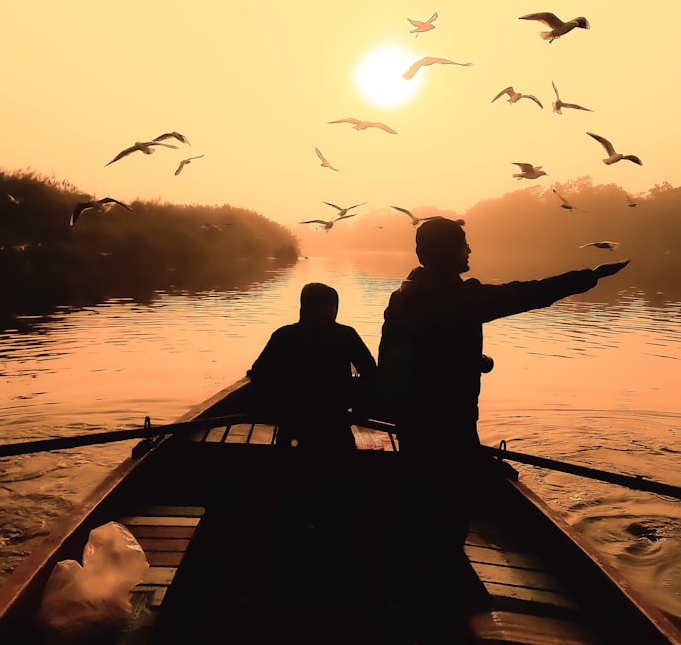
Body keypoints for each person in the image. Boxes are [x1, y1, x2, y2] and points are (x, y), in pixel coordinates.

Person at [376, 217, 629, 643]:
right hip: (449, 422)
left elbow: (397, 361)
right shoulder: (457, 299)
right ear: (445, 253)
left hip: (415, 421)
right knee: (449, 508)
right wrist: (587, 278)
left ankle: (409, 589)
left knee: (419, 498)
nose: (470, 252)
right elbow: (527, 293)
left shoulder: (403, 297)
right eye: (463, 246)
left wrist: (461, 365)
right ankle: (441, 604)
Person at [246, 282, 378, 599]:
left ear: (303, 307)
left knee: (292, 491)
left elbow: (259, 374)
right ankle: (337, 556)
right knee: (340, 493)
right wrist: (360, 409)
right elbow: (372, 375)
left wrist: (274, 403)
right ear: (332, 308)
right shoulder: (345, 335)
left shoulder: (284, 336)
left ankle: (292, 554)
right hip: (335, 427)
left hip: (295, 430)